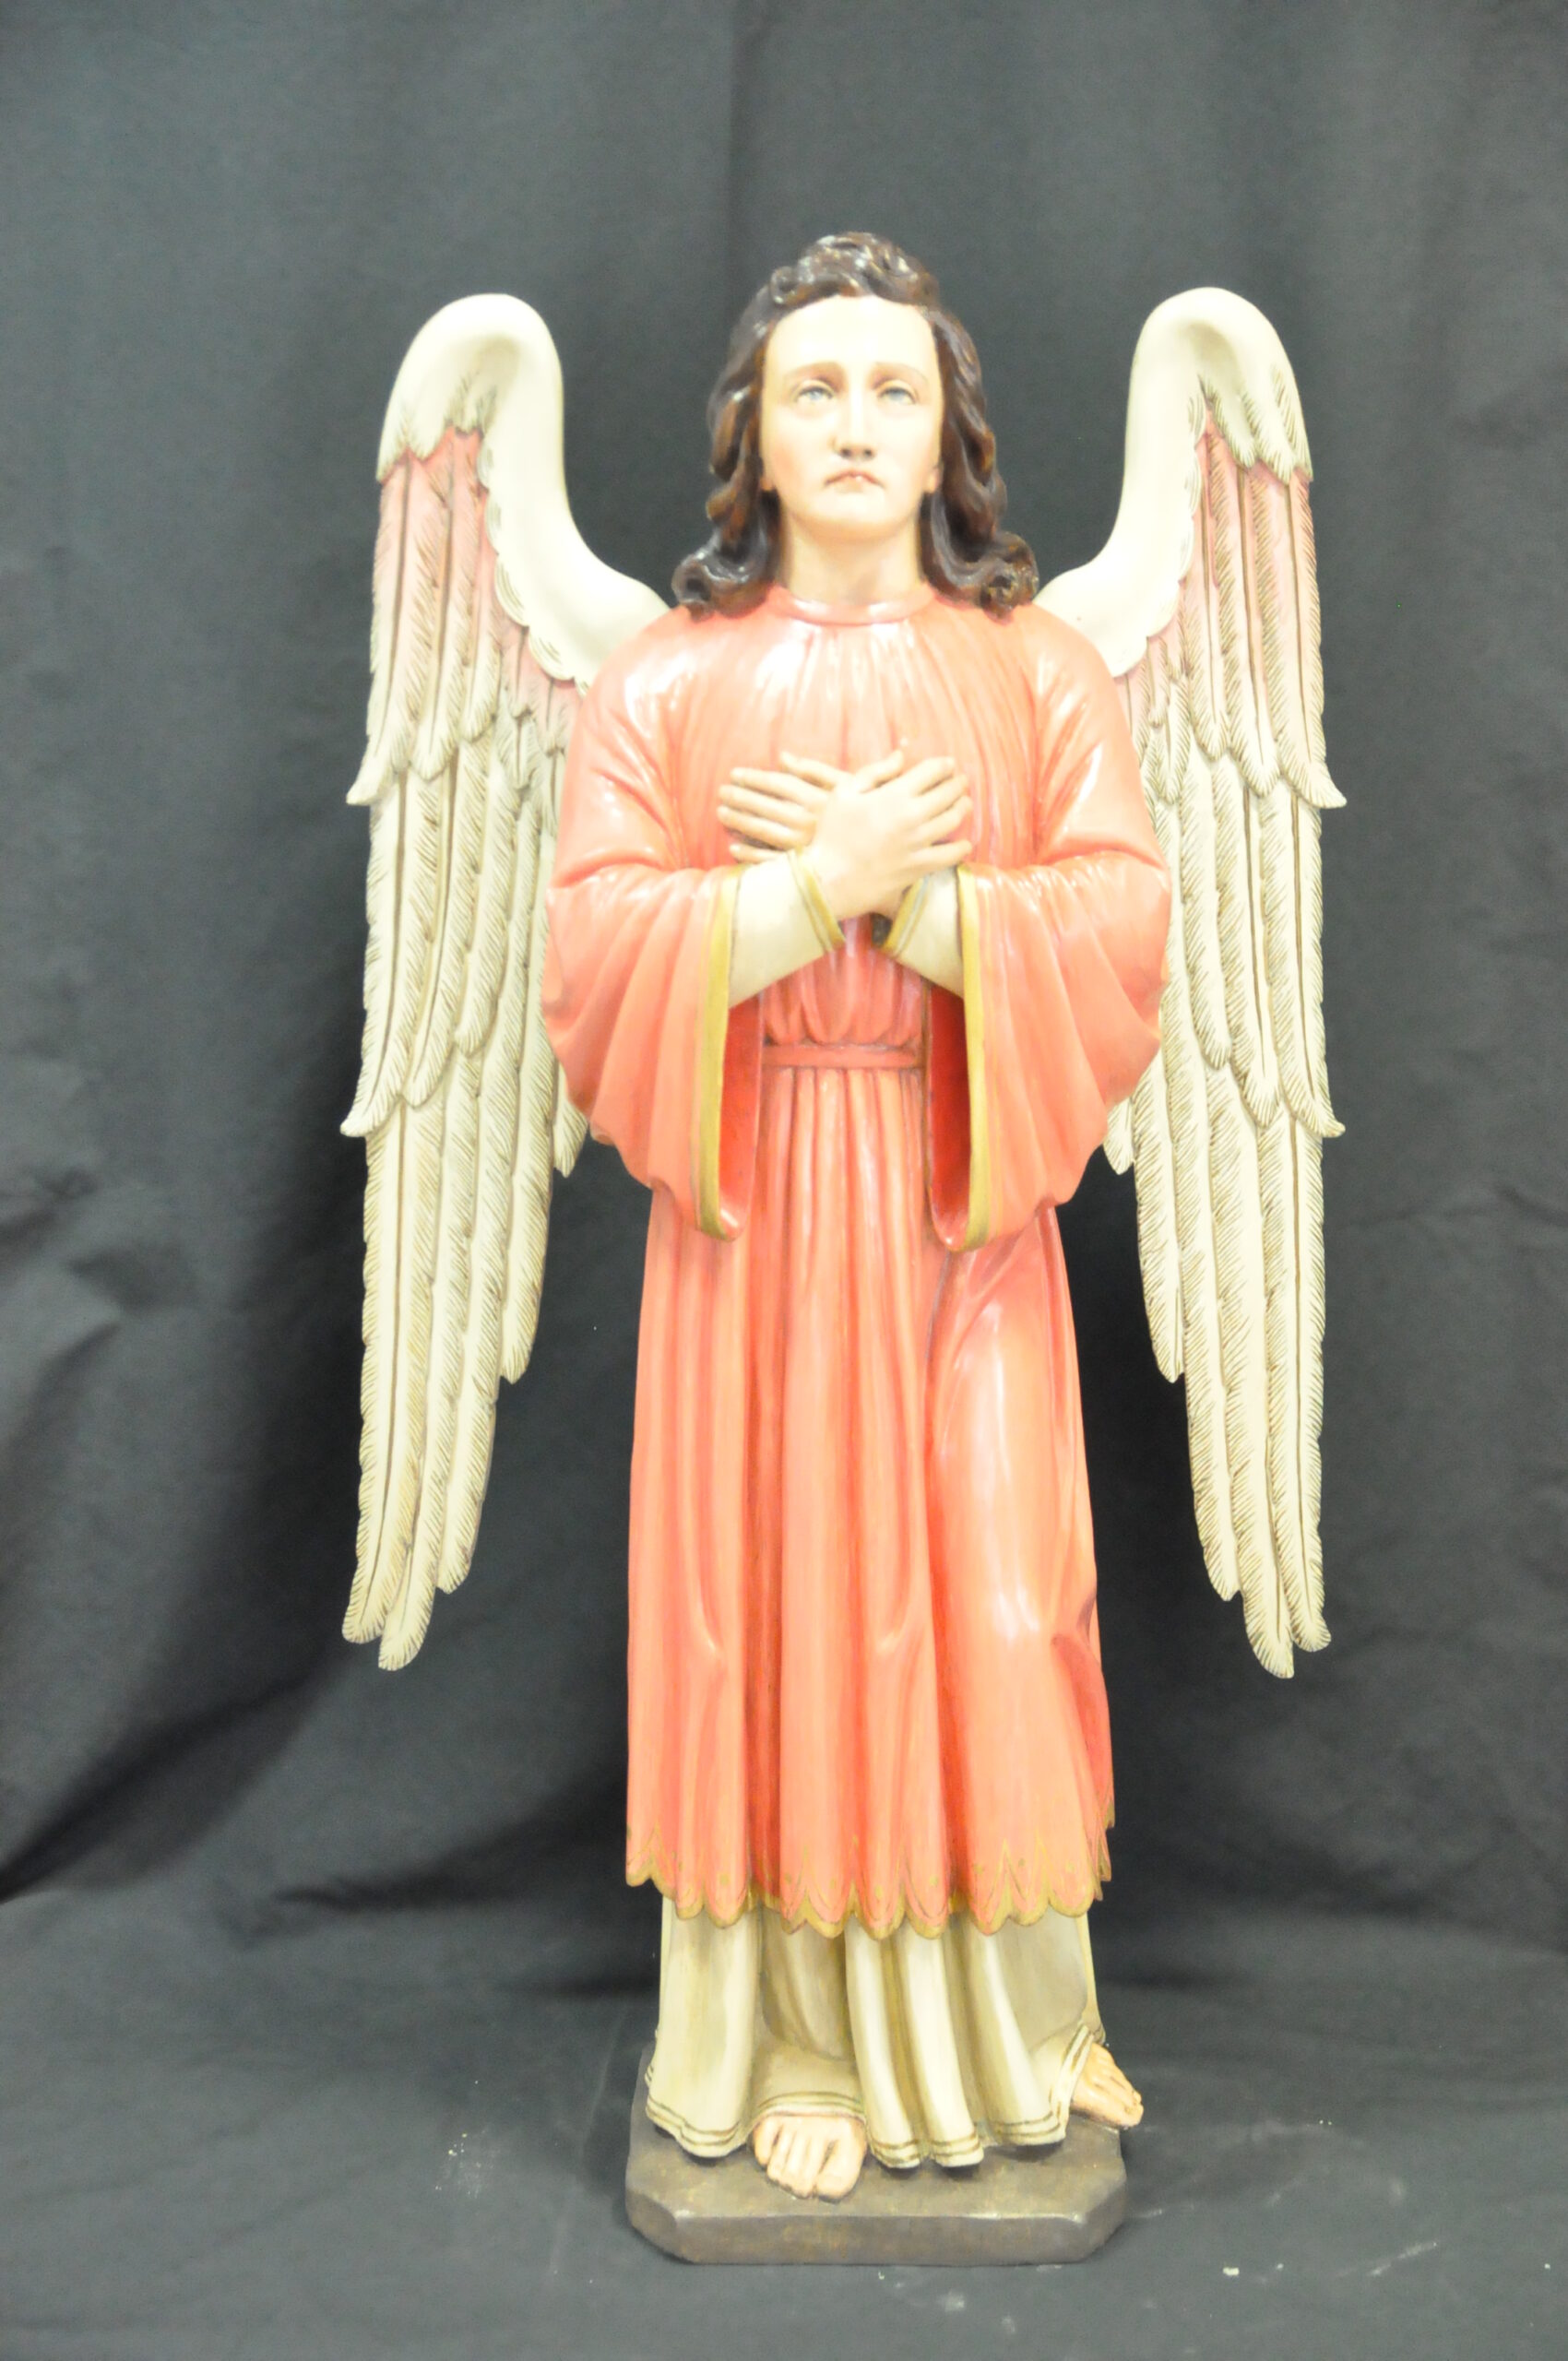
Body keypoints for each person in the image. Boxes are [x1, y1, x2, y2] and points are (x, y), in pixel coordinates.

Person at [541, 234, 1170, 2201]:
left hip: (955, 1198)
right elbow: (590, 955)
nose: (853, 422)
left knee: (993, 1598)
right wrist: (810, 890)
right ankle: (797, 2039)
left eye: (894, 389)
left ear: (949, 434)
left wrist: (925, 897)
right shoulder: (664, 682)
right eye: (811, 388)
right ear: (749, 431)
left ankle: (1019, 2013)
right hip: (761, 1223)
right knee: (787, 1607)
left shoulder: (1038, 671)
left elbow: (1123, 925)